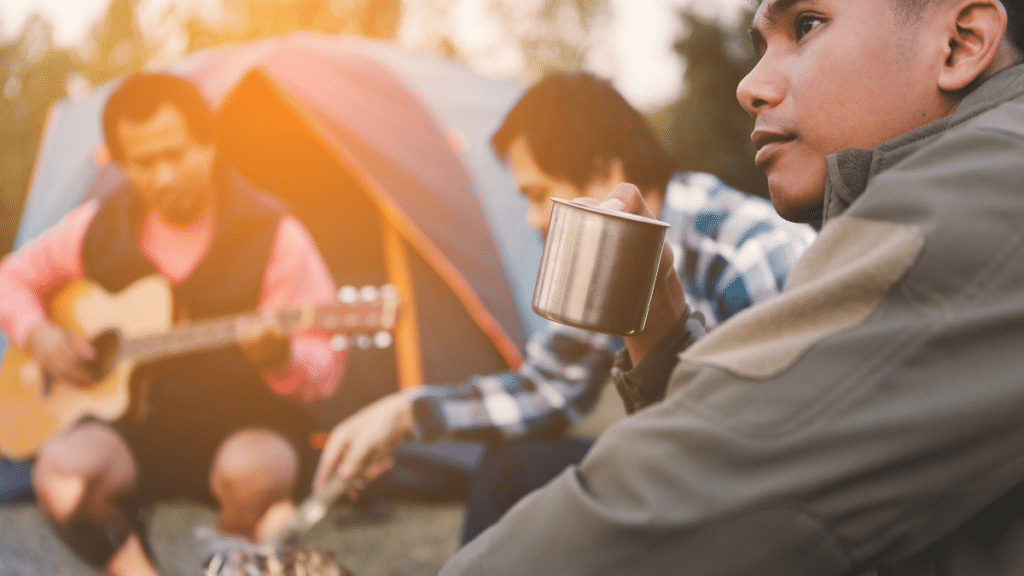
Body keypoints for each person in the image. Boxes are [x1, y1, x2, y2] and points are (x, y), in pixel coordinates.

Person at [439, 0, 1024, 573]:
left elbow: (732, 487)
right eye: (760, 46)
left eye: (807, 24)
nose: (750, 86)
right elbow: (793, 456)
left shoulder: (990, 190)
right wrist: (665, 350)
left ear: (961, 42)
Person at [311, 72, 816, 522]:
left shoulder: (746, 248)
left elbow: (787, 442)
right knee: (513, 468)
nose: (532, 220)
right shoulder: (605, 255)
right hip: (675, 468)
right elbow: (548, 390)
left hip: (754, 499)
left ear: (605, 174)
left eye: (536, 194)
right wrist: (404, 412)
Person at [0, 72, 345, 576]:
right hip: (135, 430)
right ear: (118, 162)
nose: (163, 177)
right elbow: (10, 277)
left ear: (209, 145)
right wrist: (39, 333)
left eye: (176, 155)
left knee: (255, 472)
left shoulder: (275, 235)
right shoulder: (97, 224)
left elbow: (327, 362)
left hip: (245, 425)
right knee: (61, 476)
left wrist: (280, 356)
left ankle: (234, 566)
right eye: (143, 163)